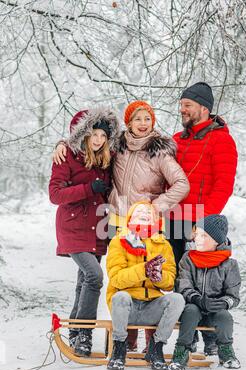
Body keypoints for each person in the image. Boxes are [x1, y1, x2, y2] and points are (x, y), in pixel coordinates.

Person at [52, 100, 190, 353]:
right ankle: (122, 339)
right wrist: (63, 143)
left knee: (148, 277)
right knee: (121, 278)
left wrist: (155, 206)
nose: (143, 124)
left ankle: (151, 341)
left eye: (147, 119)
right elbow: (87, 139)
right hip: (117, 223)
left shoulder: (159, 152)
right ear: (128, 123)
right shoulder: (117, 147)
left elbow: (182, 183)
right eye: (137, 119)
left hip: (146, 225)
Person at [167, 81, 239, 355]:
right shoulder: (177, 139)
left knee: (205, 280)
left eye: (187, 105)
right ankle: (187, 337)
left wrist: (202, 222)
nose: (182, 110)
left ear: (204, 108)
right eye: (181, 105)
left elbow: (223, 185)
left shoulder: (221, 140)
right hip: (173, 220)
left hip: (200, 223)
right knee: (178, 278)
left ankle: (211, 338)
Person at [49, 107, 120, 357]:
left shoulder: (106, 158)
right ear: (83, 134)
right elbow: (55, 194)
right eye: (93, 134)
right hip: (73, 227)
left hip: (98, 228)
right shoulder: (67, 155)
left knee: (83, 281)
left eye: (103, 135)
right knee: (94, 276)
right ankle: (85, 333)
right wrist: (88, 188)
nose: (98, 139)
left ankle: (76, 332)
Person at [106, 201, 186, 370]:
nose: (144, 213)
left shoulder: (163, 244)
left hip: (151, 306)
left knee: (177, 299)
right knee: (120, 296)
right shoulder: (118, 241)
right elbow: (116, 279)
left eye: (148, 212)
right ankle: (119, 348)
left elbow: (170, 282)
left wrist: (158, 276)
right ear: (130, 218)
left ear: (155, 220)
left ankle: (155, 348)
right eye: (139, 211)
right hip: (127, 308)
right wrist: (144, 270)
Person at [168, 214, 242, 370]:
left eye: (204, 235)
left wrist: (223, 303)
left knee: (224, 316)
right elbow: (183, 285)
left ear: (217, 240)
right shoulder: (188, 259)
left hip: (214, 308)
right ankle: (180, 353)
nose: (197, 239)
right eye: (196, 234)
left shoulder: (230, 264)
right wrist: (197, 299)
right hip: (193, 305)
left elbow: (234, 296)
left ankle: (226, 352)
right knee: (191, 312)